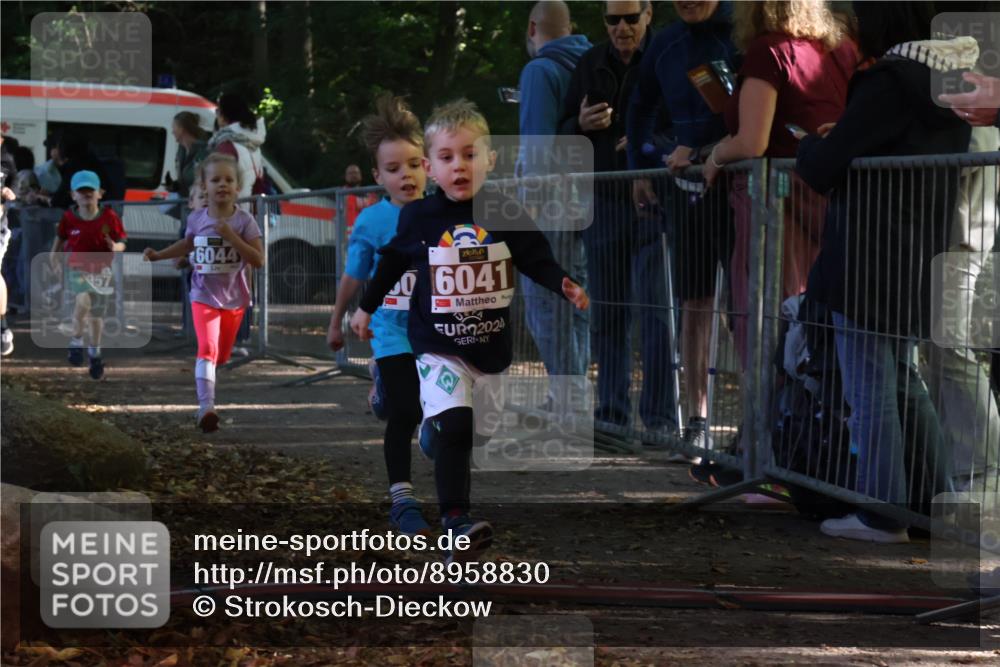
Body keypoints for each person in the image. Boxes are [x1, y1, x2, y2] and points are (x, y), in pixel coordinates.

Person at [350, 100, 589, 561]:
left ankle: (433, 434)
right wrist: (365, 308)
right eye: (447, 157)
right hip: (437, 346)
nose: (459, 165)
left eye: (470, 154)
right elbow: (392, 261)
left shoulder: (503, 210)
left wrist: (563, 283)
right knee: (458, 425)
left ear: (490, 159)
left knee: (474, 434)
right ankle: (456, 522)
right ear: (431, 167)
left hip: (489, 349)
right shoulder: (420, 218)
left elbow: (535, 257)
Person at [795, 1, 974, 543]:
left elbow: (825, 167)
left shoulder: (889, 80)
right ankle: (935, 503)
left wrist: (811, 146)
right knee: (903, 380)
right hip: (918, 257)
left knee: (871, 387)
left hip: (868, 259)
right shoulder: (949, 80)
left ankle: (881, 512)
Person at [703, 0, 858, 369]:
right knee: (817, 315)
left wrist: (713, 157)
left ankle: (769, 421)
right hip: (830, 197)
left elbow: (752, 142)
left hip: (775, 204)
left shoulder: (768, 52)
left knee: (765, 317)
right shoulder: (841, 50)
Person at [560, 0, 677, 447]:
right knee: (607, 313)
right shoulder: (589, 63)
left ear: (648, 14)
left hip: (654, 203)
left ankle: (661, 422)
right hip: (605, 204)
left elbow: (691, 126)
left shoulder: (668, 54)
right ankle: (611, 417)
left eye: (631, 18)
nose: (622, 28)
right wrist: (580, 124)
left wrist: (652, 143)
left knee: (655, 314)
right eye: (613, 19)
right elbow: (562, 128)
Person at [627, 0, 740, 457]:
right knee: (695, 302)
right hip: (687, 194)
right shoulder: (666, 43)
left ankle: (760, 423)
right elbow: (639, 110)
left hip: (741, 191)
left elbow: (757, 121)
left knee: (747, 307)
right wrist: (642, 168)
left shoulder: (742, 34)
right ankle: (696, 422)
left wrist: (705, 152)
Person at [327, 95, 430, 536]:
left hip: (438, 333)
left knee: (439, 414)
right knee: (406, 412)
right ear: (377, 176)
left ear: (427, 163)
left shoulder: (446, 212)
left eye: (412, 164)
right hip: (391, 332)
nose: (404, 176)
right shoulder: (372, 221)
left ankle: (385, 389)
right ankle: (402, 501)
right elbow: (353, 277)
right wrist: (337, 321)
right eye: (393, 169)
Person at [142, 154, 264, 432]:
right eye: (215, 179)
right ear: (204, 186)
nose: (222, 184)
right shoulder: (197, 219)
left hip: (234, 299)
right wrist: (159, 255)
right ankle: (206, 407)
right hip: (203, 294)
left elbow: (258, 260)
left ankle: (209, 387)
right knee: (206, 350)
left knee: (220, 356)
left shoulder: (245, 222)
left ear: (237, 187)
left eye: (229, 180)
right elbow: (186, 244)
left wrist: (232, 238)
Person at [517, 0, 592, 411]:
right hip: (588, 204)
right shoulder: (591, 61)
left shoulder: (539, 71)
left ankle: (567, 399)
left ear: (533, 28)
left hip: (551, 209)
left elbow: (536, 150)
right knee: (576, 303)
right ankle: (573, 393)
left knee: (546, 306)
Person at [48, 170, 127, 380]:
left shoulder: (109, 217)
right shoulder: (69, 218)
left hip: (102, 271)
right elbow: (60, 239)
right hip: (77, 268)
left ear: (100, 193)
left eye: (90, 190)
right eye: (81, 191)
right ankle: (76, 340)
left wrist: (115, 247)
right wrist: (53, 259)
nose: (86, 195)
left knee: (96, 316)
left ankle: (95, 351)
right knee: (84, 300)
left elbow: (122, 242)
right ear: (73, 195)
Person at [171, 111, 211, 198]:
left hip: (199, 206)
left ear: (181, 129)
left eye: (174, 127)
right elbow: (185, 181)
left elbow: (203, 182)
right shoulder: (181, 151)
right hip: (184, 205)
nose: (172, 131)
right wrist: (174, 186)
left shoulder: (204, 152)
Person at [343, 163, 378, 238]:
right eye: (350, 173)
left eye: (356, 173)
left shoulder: (370, 194)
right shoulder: (341, 195)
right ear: (345, 177)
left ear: (360, 176)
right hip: (349, 236)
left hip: (368, 234)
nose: (353, 175)